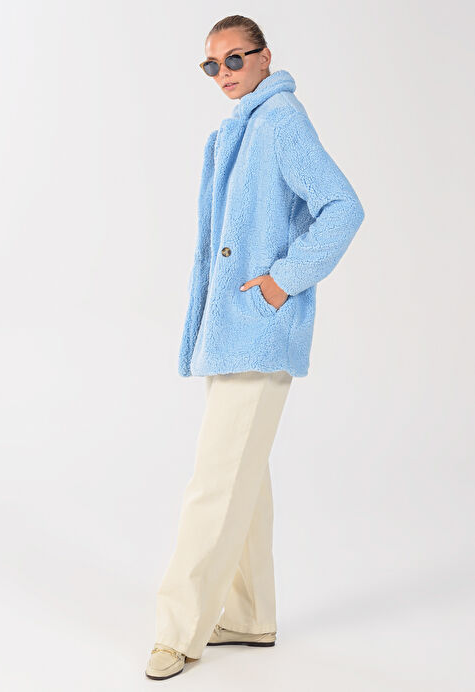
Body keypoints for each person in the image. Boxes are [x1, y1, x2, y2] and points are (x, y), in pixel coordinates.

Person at [145, 14, 365, 680]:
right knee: (243, 481)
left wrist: (280, 282)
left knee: (213, 484)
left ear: (265, 56)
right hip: (234, 331)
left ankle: (177, 632)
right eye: (211, 65)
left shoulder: (279, 121)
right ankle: (247, 615)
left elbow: (342, 207)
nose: (224, 74)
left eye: (235, 59)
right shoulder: (242, 127)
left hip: (257, 329)